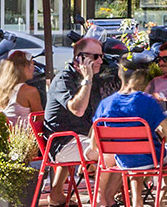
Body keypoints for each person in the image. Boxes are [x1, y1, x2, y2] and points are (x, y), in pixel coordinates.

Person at [93, 55, 167, 206]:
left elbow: (95, 144)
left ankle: (137, 200)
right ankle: (160, 201)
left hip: (122, 161)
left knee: (135, 158)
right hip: (150, 158)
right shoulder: (148, 101)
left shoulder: (105, 104)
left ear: (120, 75)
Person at [44, 37, 119, 207]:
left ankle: (106, 198)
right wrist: (87, 80)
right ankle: (102, 200)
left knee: (124, 147)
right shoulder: (64, 79)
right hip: (63, 143)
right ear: (80, 58)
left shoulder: (95, 78)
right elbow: (77, 110)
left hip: (82, 139)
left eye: (102, 56)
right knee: (113, 154)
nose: (101, 61)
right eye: (95, 57)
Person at [0, 50, 42, 129]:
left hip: (5, 137)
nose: (33, 68)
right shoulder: (29, 91)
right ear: (24, 68)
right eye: (32, 64)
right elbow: (40, 120)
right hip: (26, 138)